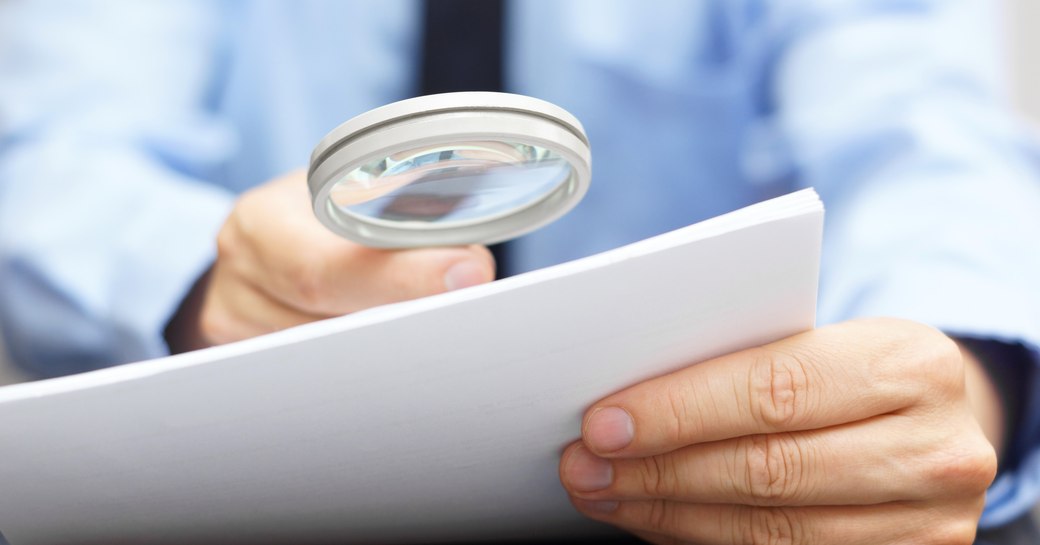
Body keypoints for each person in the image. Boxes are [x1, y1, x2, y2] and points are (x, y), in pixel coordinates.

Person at [1, 1, 1039, 543]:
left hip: (695, 502)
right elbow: (50, 151)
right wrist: (210, 284)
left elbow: (921, 132)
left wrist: (957, 379)